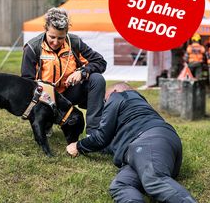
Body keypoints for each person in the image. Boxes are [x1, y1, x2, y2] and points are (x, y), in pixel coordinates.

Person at [66, 82, 197, 203]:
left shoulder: (118, 97)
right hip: (151, 148)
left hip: (148, 141)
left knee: (155, 178)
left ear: (115, 91)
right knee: (120, 185)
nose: (105, 104)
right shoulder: (140, 105)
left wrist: (78, 145)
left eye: (105, 100)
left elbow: (102, 137)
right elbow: (109, 143)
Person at [21, 7, 107, 135]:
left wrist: (83, 72)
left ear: (67, 32)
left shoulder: (75, 42)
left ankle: (94, 132)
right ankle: (46, 121)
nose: (56, 42)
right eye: (52, 37)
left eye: (60, 38)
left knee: (97, 79)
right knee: (43, 126)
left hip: (69, 93)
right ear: (45, 29)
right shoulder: (32, 48)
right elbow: (26, 82)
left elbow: (100, 62)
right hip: (44, 98)